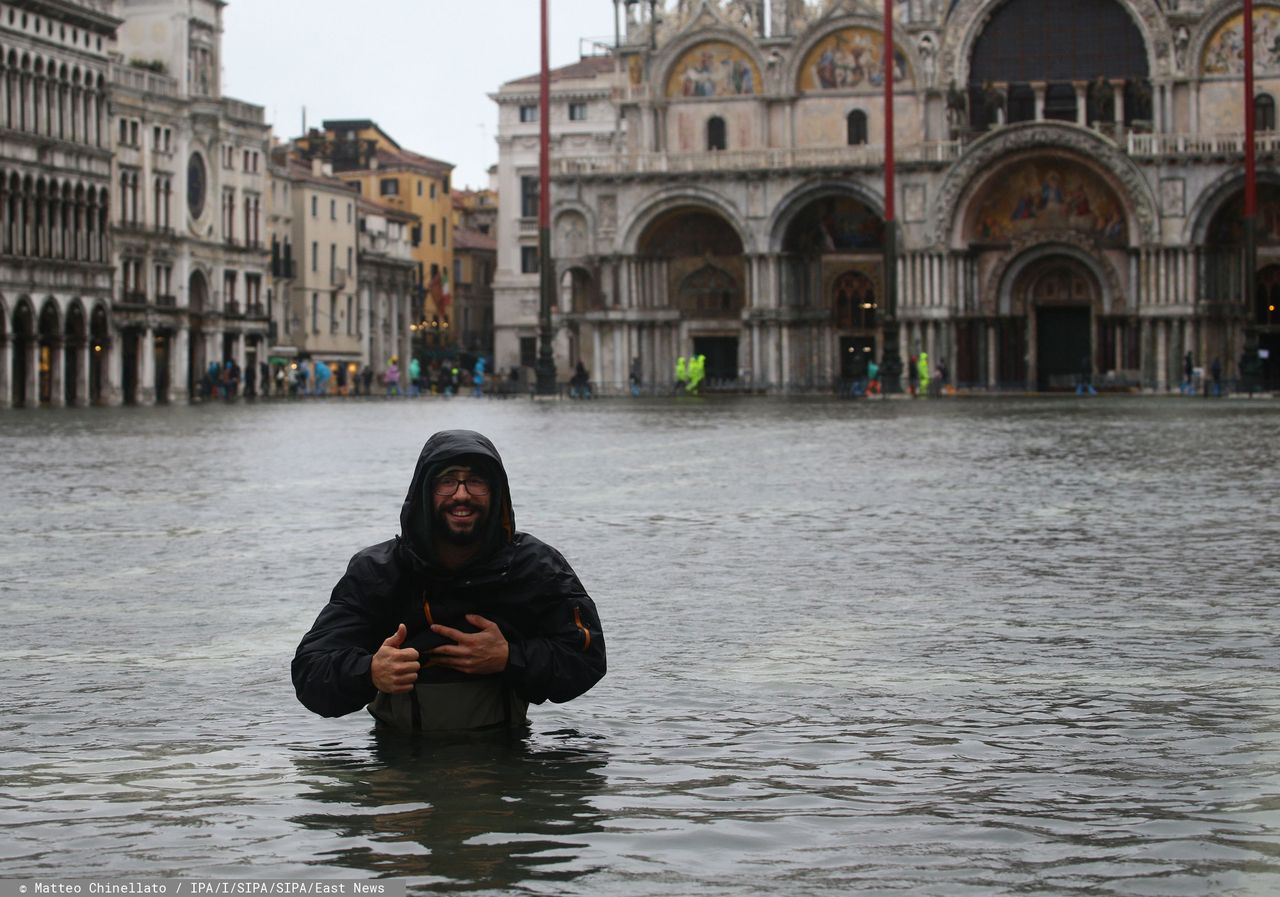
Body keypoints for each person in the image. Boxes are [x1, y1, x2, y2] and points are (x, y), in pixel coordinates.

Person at [292, 430, 607, 733]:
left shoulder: (535, 567)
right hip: (399, 763)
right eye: (447, 481)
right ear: (424, 493)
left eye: (476, 481)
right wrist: (370, 671)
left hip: (505, 759)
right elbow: (309, 671)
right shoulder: (378, 572)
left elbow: (587, 658)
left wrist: (509, 658)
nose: (461, 494)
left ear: (496, 492)